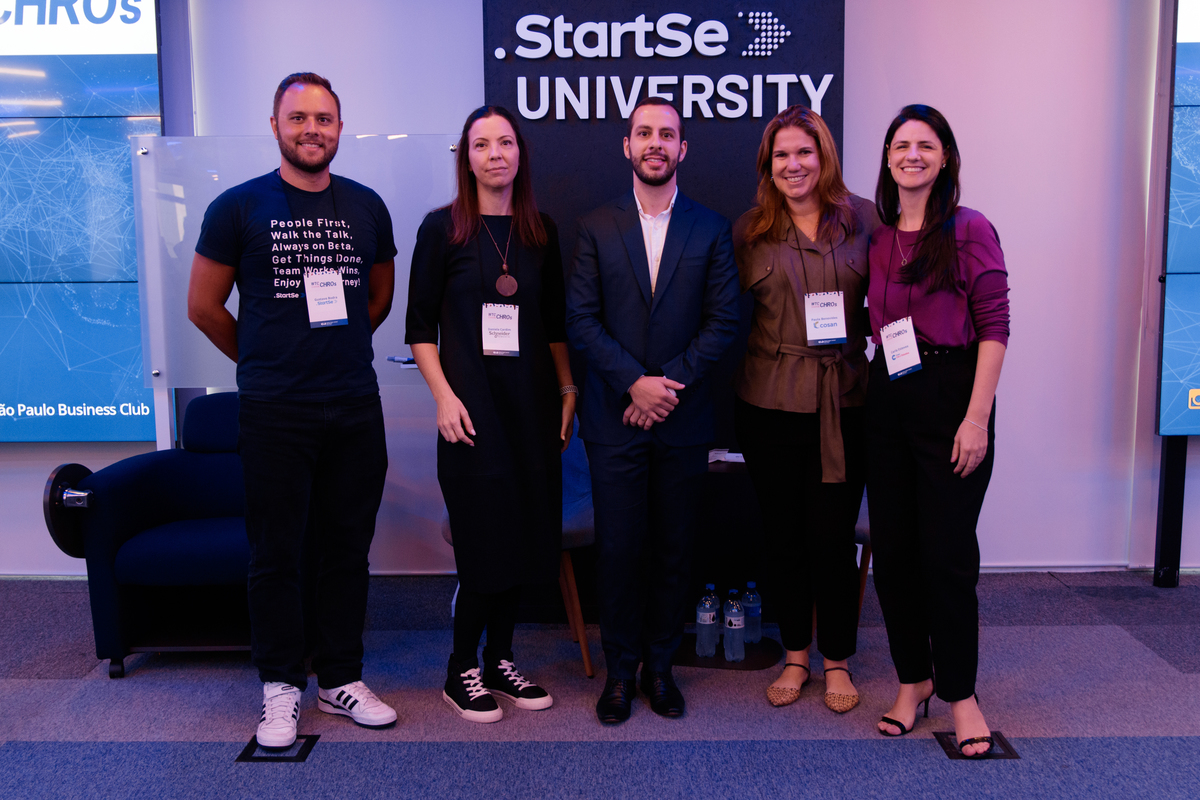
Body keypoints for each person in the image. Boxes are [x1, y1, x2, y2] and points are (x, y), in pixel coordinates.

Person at [187, 72, 398, 749]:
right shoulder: (239, 206)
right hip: (276, 411)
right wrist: (260, 360)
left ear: (340, 127)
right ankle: (280, 687)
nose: (313, 129)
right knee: (275, 556)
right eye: (299, 117)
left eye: (325, 118)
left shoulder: (367, 206)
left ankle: (339, 679)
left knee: (347, 552)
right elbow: (202, 307)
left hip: (355, 407)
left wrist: (332, 354)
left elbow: (377, 301)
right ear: (275, 125)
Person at [567, 97, 740, 724]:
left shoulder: (712, 228)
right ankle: (619, 674)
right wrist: (633, 384)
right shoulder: (594, 226)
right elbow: (581, 321)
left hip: (683, 419)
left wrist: (664, 386)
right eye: (644, 133)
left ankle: (660, 670)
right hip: (614, 420)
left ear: (683, 148)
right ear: (626, 145)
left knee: (674, 548)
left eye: (667, 134)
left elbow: (724, 323)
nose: (655, 143)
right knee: (618, 550)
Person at [406, 105, 574, 723]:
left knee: (527, 538)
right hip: (471, 416)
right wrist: (444, 397)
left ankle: (501, 659)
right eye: (482, 144)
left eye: (506, 142)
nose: (496, 153)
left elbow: (554, 324)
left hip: (531, 411)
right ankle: (460, 670)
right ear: (466, 157)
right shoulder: (441, 229)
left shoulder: (541, 231)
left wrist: (567, 391)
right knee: (483, 544)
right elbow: (419, 327)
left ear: (520, 154)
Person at [866, 105, 1009, 757]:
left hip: (954, 398)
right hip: (889, 397)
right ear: (888, 157)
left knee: (947, 559)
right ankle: (912, 681)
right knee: (893, 555)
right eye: (901, 144)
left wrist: (976, 416)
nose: (912, 154)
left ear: (946, 156)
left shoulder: (970, 228)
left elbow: (995, 326)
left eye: (926, 144)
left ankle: (961, 695)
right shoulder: (880, 233)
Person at [732, 105, 880, 713]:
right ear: (769, 165)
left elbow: (894, 297)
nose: (793, 165)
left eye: (805, 152)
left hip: (844, 401)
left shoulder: (866, 220)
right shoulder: (750, 230)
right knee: (784, 536)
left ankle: (837, 660)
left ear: (825, 157)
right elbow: (721, 313)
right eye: (782, 155)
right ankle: (795, 655)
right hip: (767, 403)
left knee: (833, 536)